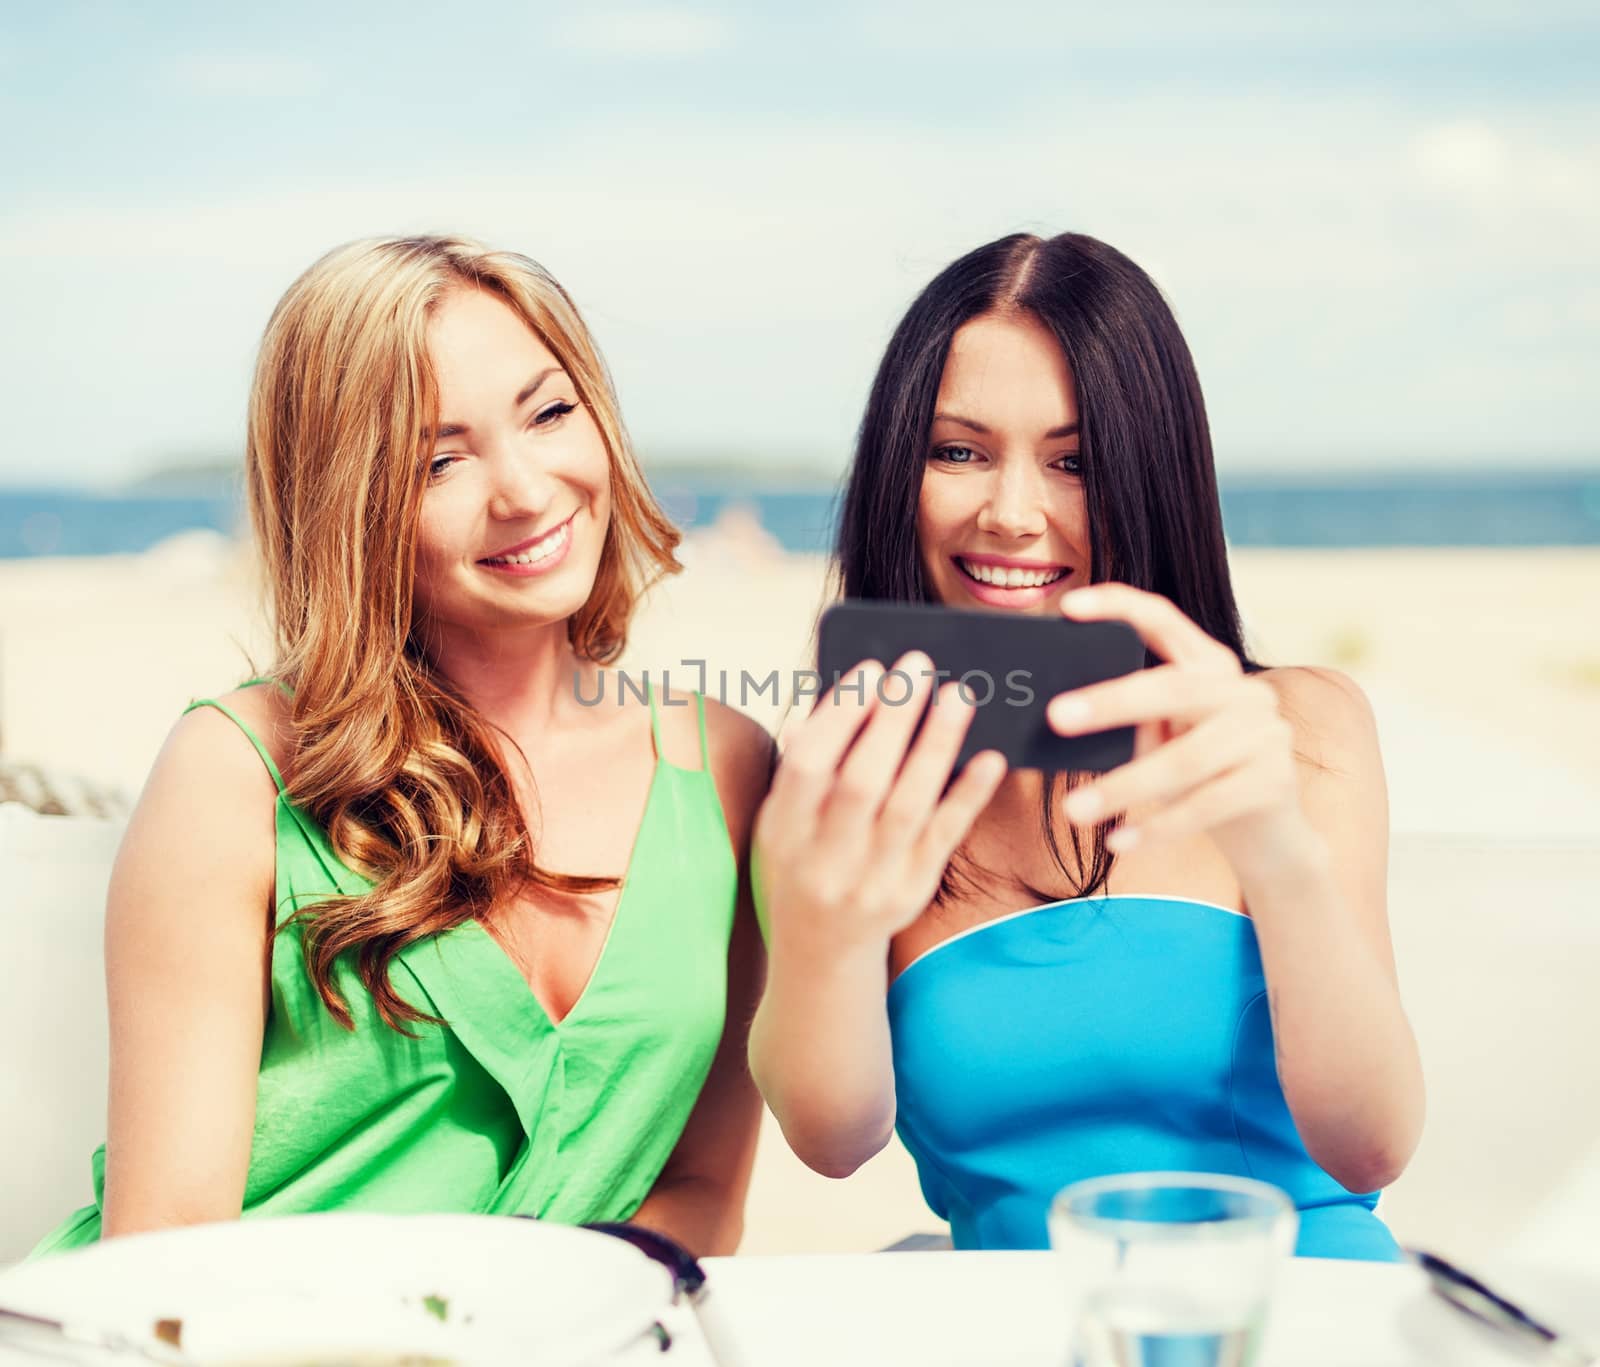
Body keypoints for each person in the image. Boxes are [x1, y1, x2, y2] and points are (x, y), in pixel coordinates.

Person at [32, 235, 771, 1258]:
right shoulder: (236, 767)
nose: (523, 488)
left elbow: (697, 1192)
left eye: (550, 411)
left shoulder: (726, 766)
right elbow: (164, 1249)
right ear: (348, 505)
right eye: (438, 459)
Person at [749, 232, 1425, 1261]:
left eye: (1074, 462)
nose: (1011, 513)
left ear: (1150, 478)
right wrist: (826, 935)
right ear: (902, 471)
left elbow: (1370, 1144)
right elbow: (831, 1138)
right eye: (958, 451)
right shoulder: (852, 766)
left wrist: (1275, 852)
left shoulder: (1297, 726)